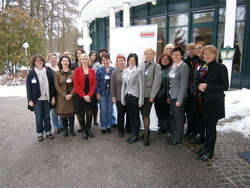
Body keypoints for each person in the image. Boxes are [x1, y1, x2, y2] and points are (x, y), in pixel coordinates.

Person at [197, 45, 229, 161]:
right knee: (206, 126)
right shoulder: (203, 67)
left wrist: (207, 86)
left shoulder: (221, 67)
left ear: (215, 55)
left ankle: (210, 152)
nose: (207, 56)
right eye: (205, 54)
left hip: (215, 102)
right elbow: (199, 81)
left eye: (210, 54)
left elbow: (225, 86)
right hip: (205, 101)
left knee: (211, 127)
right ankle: (206, 146)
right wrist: (199, 87)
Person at [26, 54, 55, 141]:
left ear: (43, 62)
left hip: (47, 98)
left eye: (40, 61)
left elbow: (52, 86)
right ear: (34, 63)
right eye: (37, 61)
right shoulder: (31, 74)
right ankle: (39, 133)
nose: (39, 62)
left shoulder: (48, 72)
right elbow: (28, 88)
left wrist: (53, 97)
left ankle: (48, 131)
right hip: (36, 99)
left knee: (47, 116)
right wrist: (30, 99)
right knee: (39, 117)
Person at [167, 47, 190, 145]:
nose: (175, 56)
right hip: (172, 96)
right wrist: (168, 96)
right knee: (174, 117)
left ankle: (177, 138)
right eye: (173, 54)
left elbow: (184, 84)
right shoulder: (173, 66)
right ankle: (173, 136)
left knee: (179, 118)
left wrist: (179, 100)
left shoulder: (184, 66)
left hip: (178, 98)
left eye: (177, 55)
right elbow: (170, 82)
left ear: (182, 56)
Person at [140, 48, 161, 146]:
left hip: (149, 95)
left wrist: (152, 95)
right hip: (141, 94)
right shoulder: (141, 65)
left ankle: (146, 136)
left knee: (145, 114)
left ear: (153, 55)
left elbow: (157, 82)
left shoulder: (156, 66)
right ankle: (146, 130)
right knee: (142, 113)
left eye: (150, 54)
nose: (148, 55)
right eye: (147, 54)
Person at [121, 53, 144, 143]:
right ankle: (133, 133)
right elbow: (124, 86)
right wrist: (123, 98)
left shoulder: (139, 70)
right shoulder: (125, 71)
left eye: (133, 60)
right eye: (130, 60)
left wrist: (141, 100)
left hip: (135, 96)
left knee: (136, 116)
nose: (131, 62)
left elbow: (142, 86)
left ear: (136, 61)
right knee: (130, 115)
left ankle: (136, 135)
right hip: (128, 96)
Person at [74, 53, 97, 140]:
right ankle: (83, 130)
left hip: (90, 95)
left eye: (86, 59)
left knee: (89, 113)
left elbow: (94, 84)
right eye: (83, 59)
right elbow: (76, 84)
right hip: (80, 95)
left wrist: (89, 95)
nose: (85, 61)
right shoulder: (77, 70)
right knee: (81, 113)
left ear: (89, 60)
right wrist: (84, 96)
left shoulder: (92, 71)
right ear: (80, 60)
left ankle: (88, 129)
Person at [187, 41, 206, 144]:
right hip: (193, 92)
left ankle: (202, 135)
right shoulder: (195, 62)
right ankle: (198, 134)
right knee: (196, 114)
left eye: (200, 48)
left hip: (202, 94)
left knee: (202, 115)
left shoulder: (205, 62)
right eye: (196, 48)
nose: (197, 50)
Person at [54, 56, 77, 137]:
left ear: (69, 62)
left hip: (72, 96)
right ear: (61, 62)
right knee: (64, 114)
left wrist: (71, 94)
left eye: (67, 61)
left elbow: (76, 85)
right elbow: (57, 86)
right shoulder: (57, 73)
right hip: (62, 97)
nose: (65, 62)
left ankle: (71, 129)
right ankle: (65, 130)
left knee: (71, 114)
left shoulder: (73, 72)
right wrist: (64, 95)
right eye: (63, 61)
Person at [111, 54, 131, 138]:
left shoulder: (130, 71)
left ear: (125, 61)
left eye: (122, 60)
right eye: (118, 61)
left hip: (129, 96)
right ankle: (121, 130)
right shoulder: (115, 72)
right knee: (121, 114)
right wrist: (113, 97)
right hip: (119, 97)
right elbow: (112, 85)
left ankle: (129, 127)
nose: (120, 62)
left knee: (129, 113)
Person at [96, 52, 115, 133]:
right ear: (102, 60)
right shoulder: (99, 70)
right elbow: (96, 82)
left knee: (110, 110)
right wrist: (97, 93)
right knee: (103, 110)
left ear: (109, 60)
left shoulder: (113, 70)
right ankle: (103, 126)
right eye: (103, 60)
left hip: (111, 93)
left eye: (106, 60)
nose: (105, 61)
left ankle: (108, 125)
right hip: (102, 93)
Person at [154, 52, 173, 133]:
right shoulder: (157, 68)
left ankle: (165, 128)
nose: (164, 60)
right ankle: (161, 126)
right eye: (163, 59)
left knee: (165, 113)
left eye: (167, 59)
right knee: (158, 112)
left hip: (165, 96)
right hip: (156, 95)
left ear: (169, 60)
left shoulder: (170, 69)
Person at [46, 53, 64, 134]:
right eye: (51, 58)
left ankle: (62, 125)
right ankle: (56, 126)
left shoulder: (60, 68)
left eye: (55, 58)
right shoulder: (47, 70)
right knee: (53, 111)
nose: (53, 59)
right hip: (52, 92)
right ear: (49, 60)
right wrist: (52, 96)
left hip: (61, 92)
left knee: (61, 109)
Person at [89, 51, 101, 126]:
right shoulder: (87, 64)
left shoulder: (98, 64)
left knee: (95, 105)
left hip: (96, 86)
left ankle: (95, 119)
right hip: (88, 87)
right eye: (92, 55)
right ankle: (89, 120)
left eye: (94, 55)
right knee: (89, 105)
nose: (93, 57)